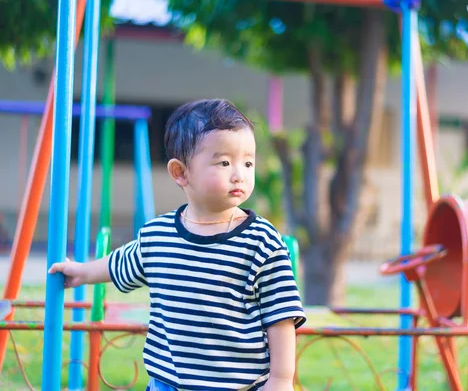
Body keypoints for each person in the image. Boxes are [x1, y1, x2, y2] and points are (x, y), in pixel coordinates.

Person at [49, 99, 306, 391]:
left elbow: (281, 318)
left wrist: (281, 380)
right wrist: (81, 272)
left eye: (248, 162)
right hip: (166, 384)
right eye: (224, 162)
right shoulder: (158, 235)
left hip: (238, 386)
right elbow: (120, 262)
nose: (240, 174)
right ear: (180, 172)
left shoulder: (261, 241)